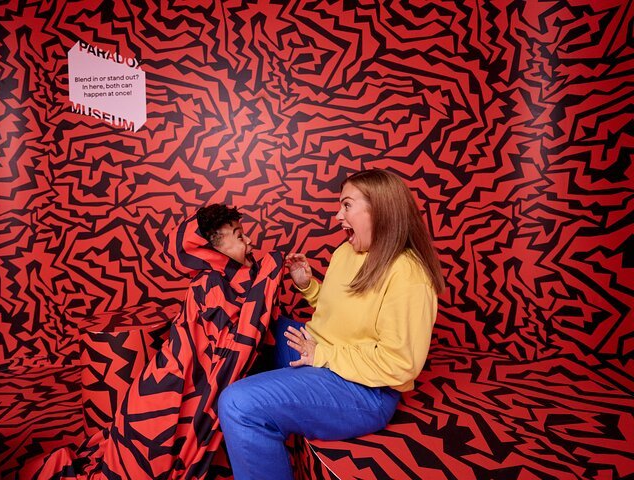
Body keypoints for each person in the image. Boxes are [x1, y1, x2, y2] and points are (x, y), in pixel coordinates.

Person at [218, 169, 445, 480]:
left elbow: (400, 364)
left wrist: (323, 355)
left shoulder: (409, 276)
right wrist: (309, 287)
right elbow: (345, 313)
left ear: (379, 209)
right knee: (254, 325)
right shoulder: (347, 251)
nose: (338, 215)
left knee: (238, 404)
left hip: (364, 390)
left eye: (347, 205)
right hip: (322, 351)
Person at [35, 204, 284, 480]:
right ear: (214, 250)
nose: (249, 241)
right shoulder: (210, 284)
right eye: (239, 236)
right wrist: (271, 270)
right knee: (144, 460)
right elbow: (237, 347)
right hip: (170, 389)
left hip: (182, 386)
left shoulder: (234, 279)